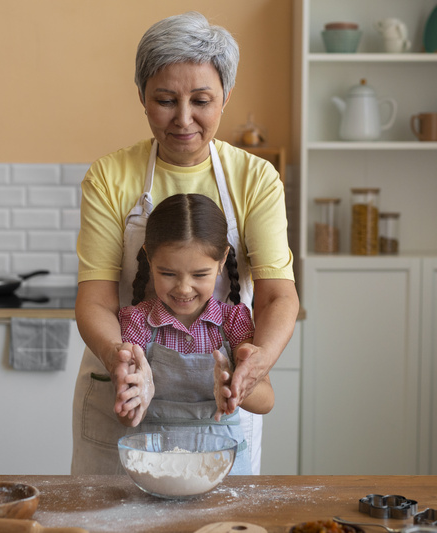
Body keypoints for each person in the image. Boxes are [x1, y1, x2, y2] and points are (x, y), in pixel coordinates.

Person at [72, 11, 298, 475]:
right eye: (165, 100)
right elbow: (94, 300)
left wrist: (254, 365)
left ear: (226, 97)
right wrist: (120, 358)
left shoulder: (255, 179)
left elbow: (278, 296)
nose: (183, 118)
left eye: (201, 100)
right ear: (142, 96)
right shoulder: (110, 177)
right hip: (124, 405)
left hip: (221, 418)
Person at [116, 194, 274, 475]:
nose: (184, 288)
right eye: (168, 273)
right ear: (149, 258)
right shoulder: (137, 321)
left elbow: (266, 400)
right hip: (155, 468)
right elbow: (128, 418)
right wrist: (134, 398)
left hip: (224, 471)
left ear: (222, 261)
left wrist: (235, 388)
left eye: (200, 275)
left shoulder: (233, 321)